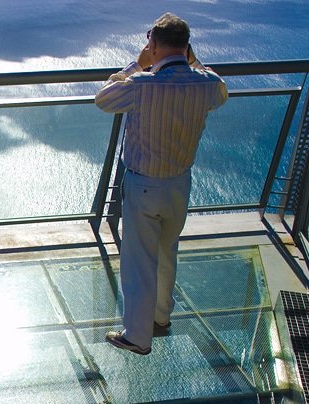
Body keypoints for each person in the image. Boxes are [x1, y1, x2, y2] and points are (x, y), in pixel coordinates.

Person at [95, 12, 228, 355]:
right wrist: (192, 60)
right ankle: (161, 316)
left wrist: (134, 65)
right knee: (167, 251)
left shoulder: (141, 85)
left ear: (152, 44)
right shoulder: (205, 85)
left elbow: (103, 98)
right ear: (186, 48)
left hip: (143, 186)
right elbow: (219, 88)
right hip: (179, 184)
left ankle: (137, 336)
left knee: (139, 260)